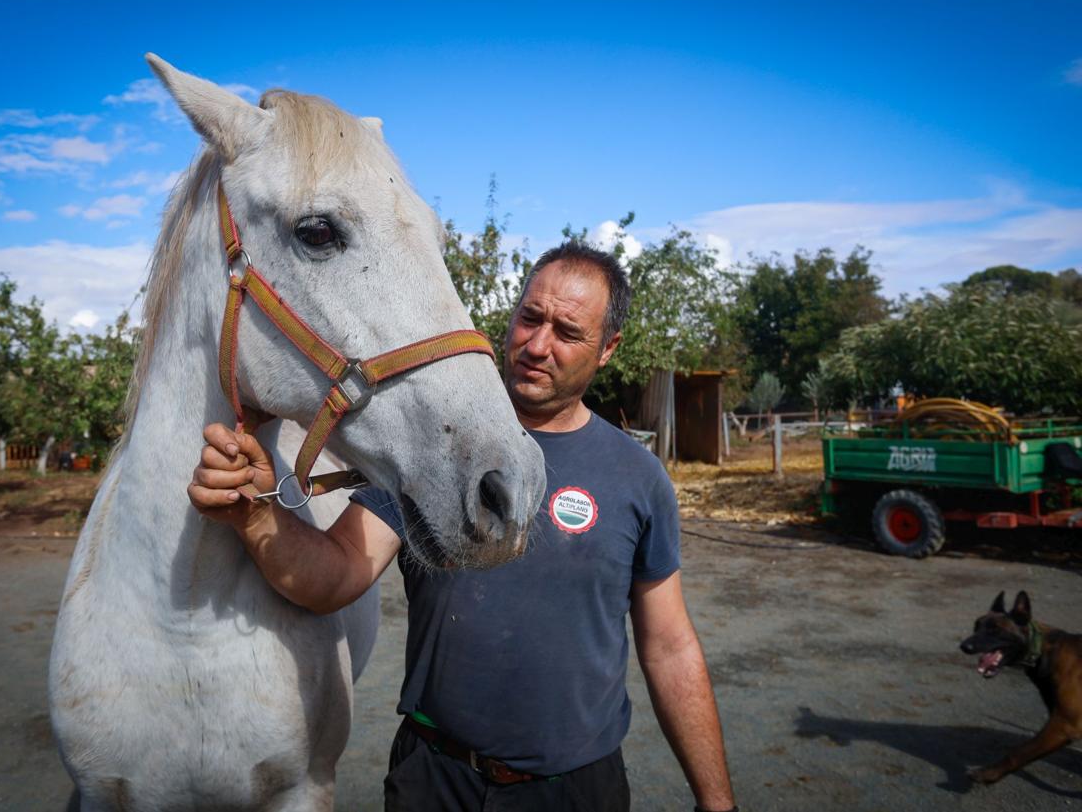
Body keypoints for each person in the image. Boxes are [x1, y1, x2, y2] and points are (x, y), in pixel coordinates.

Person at [188, 240, 737, 812]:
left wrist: (716, 801)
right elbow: (335, 575)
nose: (538, 346)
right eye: (530, 318)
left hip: (573, 791)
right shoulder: (432, 450)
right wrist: (254, 512)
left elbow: (670, 646)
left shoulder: (636, 476)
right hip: (433, 778)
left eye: (568, 333)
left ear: (606, 348)